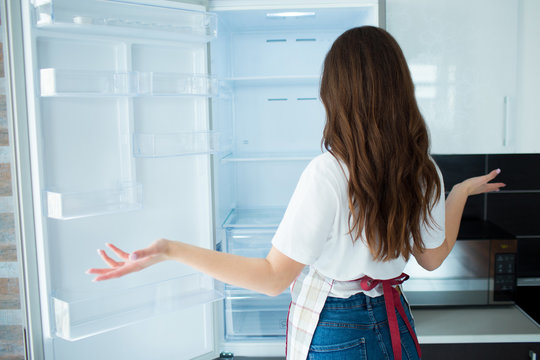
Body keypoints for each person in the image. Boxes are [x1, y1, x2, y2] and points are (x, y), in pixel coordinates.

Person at [87, 26, 505, 360]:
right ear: (401, 89)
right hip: (394, 322)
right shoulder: (423, 169)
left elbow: (272, 279)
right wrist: (461, 193)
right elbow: (430, 258)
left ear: (336, 95)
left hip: (337, 328)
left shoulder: (328, 173)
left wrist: (170, 250)